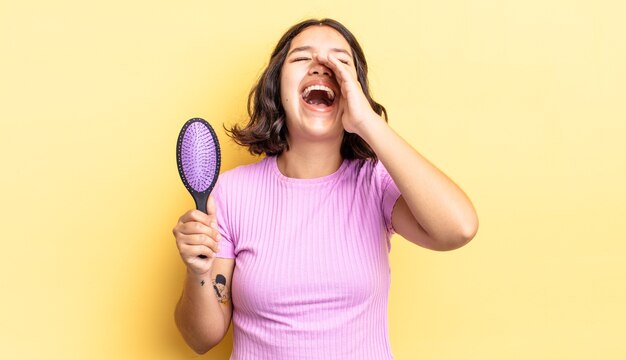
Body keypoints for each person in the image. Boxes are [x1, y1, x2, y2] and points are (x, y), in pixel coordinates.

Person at [172, 18, 478, 359]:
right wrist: (197, 271)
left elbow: (459, 228)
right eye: (303, 58)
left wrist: (367, 122)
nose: (322, 67)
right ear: (277, 86)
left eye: (340, 62)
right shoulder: (231, 193)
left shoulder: (375, 182)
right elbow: (201, 339)